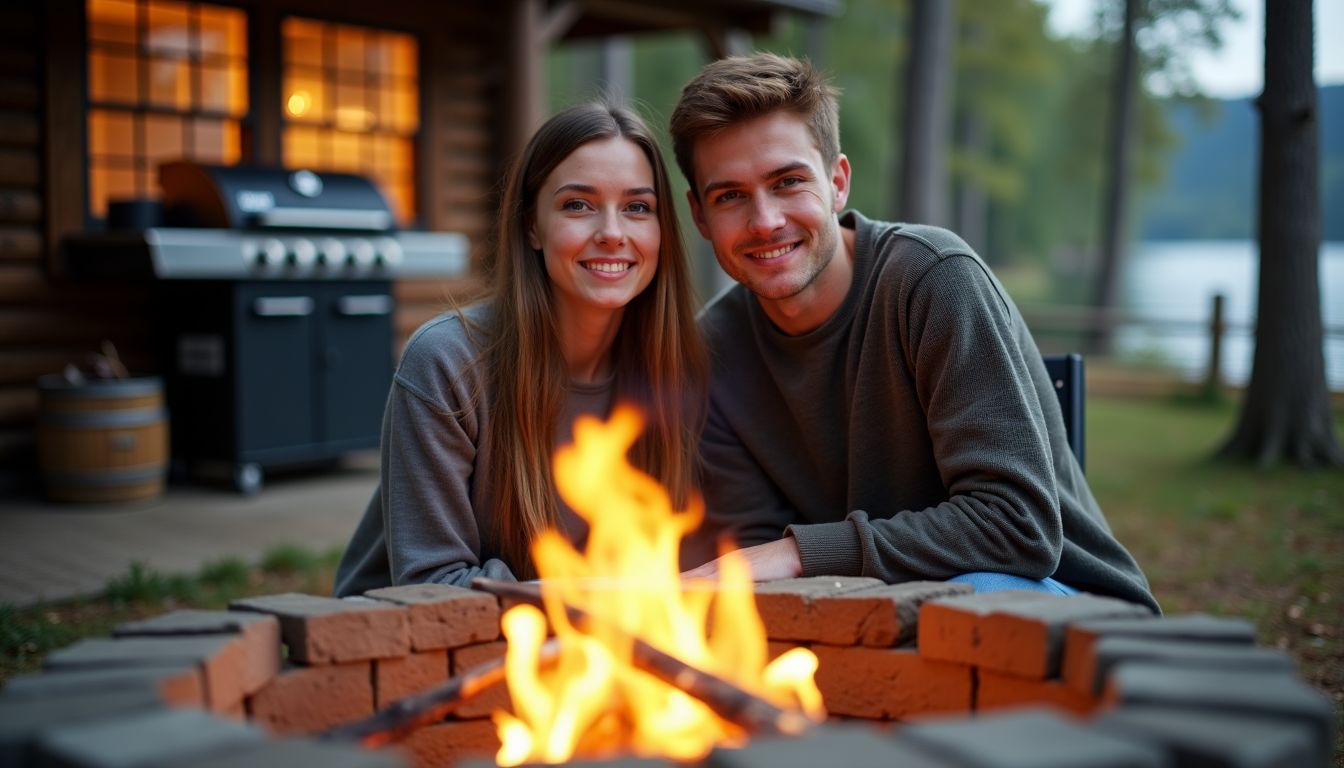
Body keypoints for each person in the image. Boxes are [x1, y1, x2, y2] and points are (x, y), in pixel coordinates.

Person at [671, 53, 1158, 613]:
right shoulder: (713, 352)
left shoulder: (933, 279)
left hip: (1051, 599)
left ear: (837, 182)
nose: (765, 221)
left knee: (956, 609)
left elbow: (1016, 526)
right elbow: (752, 563)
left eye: (788, 182)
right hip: (864, 609)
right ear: (701, 217)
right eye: (730, 195)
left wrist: (798, 553)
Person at [334, 102, 707, 596]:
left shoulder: (679, 369)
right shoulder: (449, 364)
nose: (613, 234)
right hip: (406, 649)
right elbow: (435, 586)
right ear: (532, 225)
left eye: (638, 207)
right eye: (578, 205)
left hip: (578, 652)